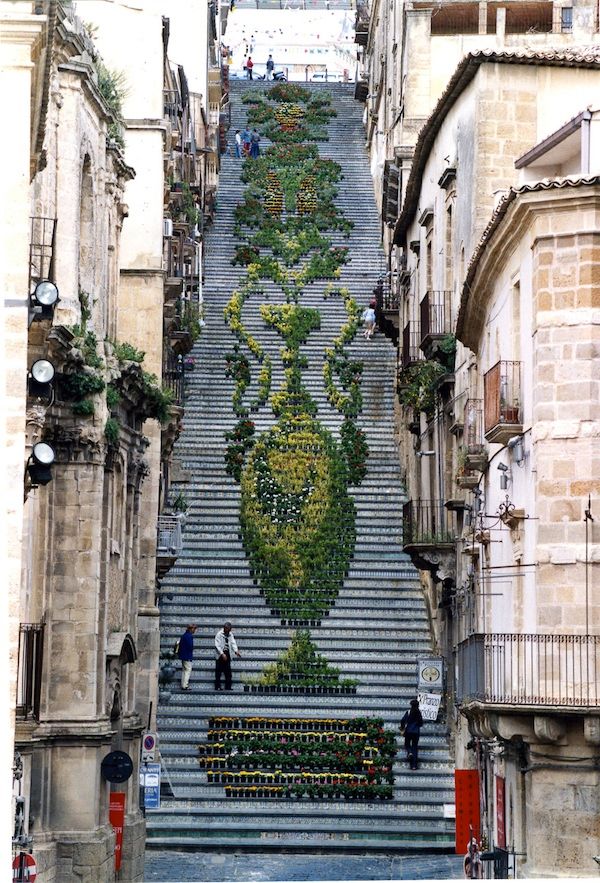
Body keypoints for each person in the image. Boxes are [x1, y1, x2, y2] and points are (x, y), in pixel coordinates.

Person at [214, 621, 241, 690]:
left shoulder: (230, 634)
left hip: (228, 653)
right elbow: (217, 645)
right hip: (220, 654)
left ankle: (228, 686)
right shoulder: (219, 634)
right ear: (224, 628)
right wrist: (222, 654)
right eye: (227, 629)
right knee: (218, 671)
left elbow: (233, 643)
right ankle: (217, 686)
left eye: (229, 629)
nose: (228, 631)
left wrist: (236, 651)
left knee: (228, 672)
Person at [400, 698, 424, 770]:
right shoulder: (419, 713)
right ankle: (414, 766)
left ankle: (409, 752)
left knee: (407, 744)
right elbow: (421, 723)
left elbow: (402, 720)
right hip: (416, 732)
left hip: (408, 731)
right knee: (415, 747)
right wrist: (417, 725)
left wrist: (402, 728)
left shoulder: (408, 712)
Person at [177, 624, 197, 690]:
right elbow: (190, 646)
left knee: (184, 670)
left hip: (183, 656)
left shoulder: (184, 635)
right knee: (188, 670)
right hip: (187, 656)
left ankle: (183, 684)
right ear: (191, 629)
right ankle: (185, 685)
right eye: (194, 629)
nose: (195, 630)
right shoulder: (189, 636)